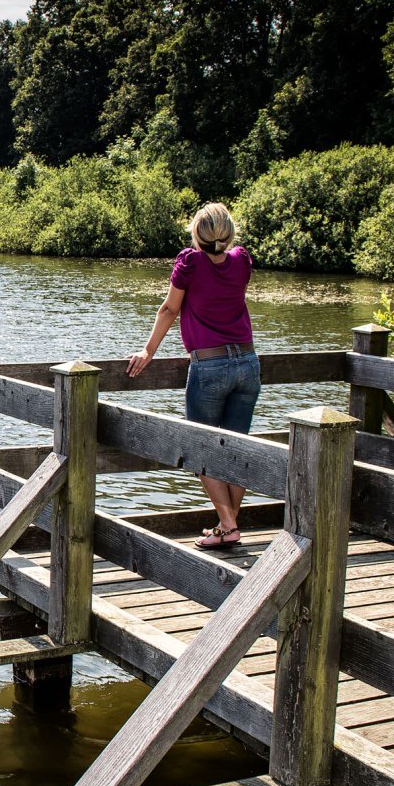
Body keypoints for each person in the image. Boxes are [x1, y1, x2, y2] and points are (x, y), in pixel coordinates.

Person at [125, 202, 260, 548]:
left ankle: (228, 526)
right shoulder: (241, 259)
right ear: (229, 233)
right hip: (247, 363)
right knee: (236, 447)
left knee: (199, 448)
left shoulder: (191, 261)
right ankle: (225, 526)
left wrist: (148, 351)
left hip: (210, 364)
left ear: (196, 234)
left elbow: (171, 308)